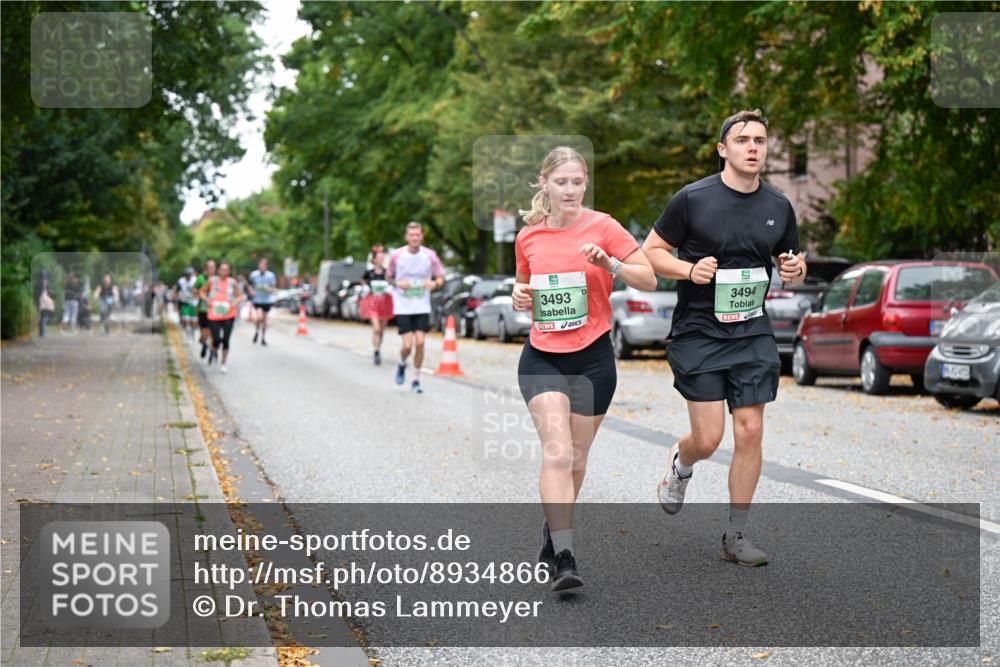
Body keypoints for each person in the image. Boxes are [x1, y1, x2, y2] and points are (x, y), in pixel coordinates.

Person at [641, 109, 807, 567]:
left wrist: (795, 268)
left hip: (751, 330)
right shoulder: (692, 199)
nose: (752, 147)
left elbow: (791, 265)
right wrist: (688, 270)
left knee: (750, 430)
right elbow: (651, 252)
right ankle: (682, 462)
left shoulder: (778, 207)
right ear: (722, 149)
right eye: (742, 140)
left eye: (760, 140)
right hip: (698, 332)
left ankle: (736, 536)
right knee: (709, 437)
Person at [512, 146, 655, 591]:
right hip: (543, 356)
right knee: (557, 452)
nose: (570, 190)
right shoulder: (528, 236)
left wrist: (610, 264)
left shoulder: (604, 226)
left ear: (586, 181)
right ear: (545, 183)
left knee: (575, 458)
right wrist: (519, 296)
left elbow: (649, 279)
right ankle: (565, 556)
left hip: (593, 357)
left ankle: (552, 527)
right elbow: (524, 285)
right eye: (561, 182)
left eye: (577, 181)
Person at [386, 223, 445, 394]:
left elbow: (440, 277)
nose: (414, 238)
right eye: (411, 235)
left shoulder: (430, 255)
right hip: (403, 305)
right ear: (406, 237)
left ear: (422, 236)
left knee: (420, 342)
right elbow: (388, 277)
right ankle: (402, 363)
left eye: (417, 235)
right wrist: (397, 283)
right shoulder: (396, 255)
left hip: (421, 305)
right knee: (407, 345)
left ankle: (416, 380)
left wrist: (434, 284)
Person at [200, 261, 244, 373]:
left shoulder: (232, 282)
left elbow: (240, 296)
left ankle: (223, 362)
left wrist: (234, 303)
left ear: (229, 271)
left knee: (226, 340)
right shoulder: (211, 281)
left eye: (226, 270)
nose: (224, 272)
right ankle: (213, 351)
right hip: (214, 315)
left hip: (228, 314)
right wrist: (207, 300)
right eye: (222, 269)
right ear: (218, 270)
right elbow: (202, 292)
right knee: (216, 339)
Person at [359, 245, 393, 365]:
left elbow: (392, 282)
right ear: (374, 259)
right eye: (379, 257)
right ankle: (376, 351)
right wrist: (365, 288)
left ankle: (378, 348)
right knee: (376, 328)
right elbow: (363, 282)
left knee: (381, 330)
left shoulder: (387, 272)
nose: (381, 259)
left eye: (382, 257)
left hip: (385, 303)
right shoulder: (369, 273)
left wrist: (389, 287)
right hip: (373, 303)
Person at [247, 257, 277, 346]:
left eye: (264, 265)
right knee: (259, 317)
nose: (262, 266)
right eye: (261, 265)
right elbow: (249, 285)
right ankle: (256, 331)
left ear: (266, 266)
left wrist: (269, 289)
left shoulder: (271, 275)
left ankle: (263, 337)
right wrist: (251, 291)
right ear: (258, 265)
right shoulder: (253, 275)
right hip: (257, 299)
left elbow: (273, 287)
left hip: (267, 300)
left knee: (265, 320)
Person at [193, 260, 216, 359]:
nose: (212, 269)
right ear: (206, 268)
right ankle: (204, 343)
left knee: (213, 331)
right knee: (204, 332)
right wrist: (201, 293)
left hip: (214, 309)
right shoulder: (200, 278)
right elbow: (193, 290)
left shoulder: (216, 279)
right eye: (210, 267)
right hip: (203, 309)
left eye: (213, 267)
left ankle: (212, 351)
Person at [177, 267, 199, 338]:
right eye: (187, 274)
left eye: (190, 274)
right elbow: (177, 291)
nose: (188, 276)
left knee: (193, 322)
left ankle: (193, 332)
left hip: (194, 303)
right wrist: (178, 297)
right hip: (185, 303)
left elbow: (200, 289)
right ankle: (187, 334)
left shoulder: (195, 280)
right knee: (186, 320)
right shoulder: (181, 281)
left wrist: (196, 293)